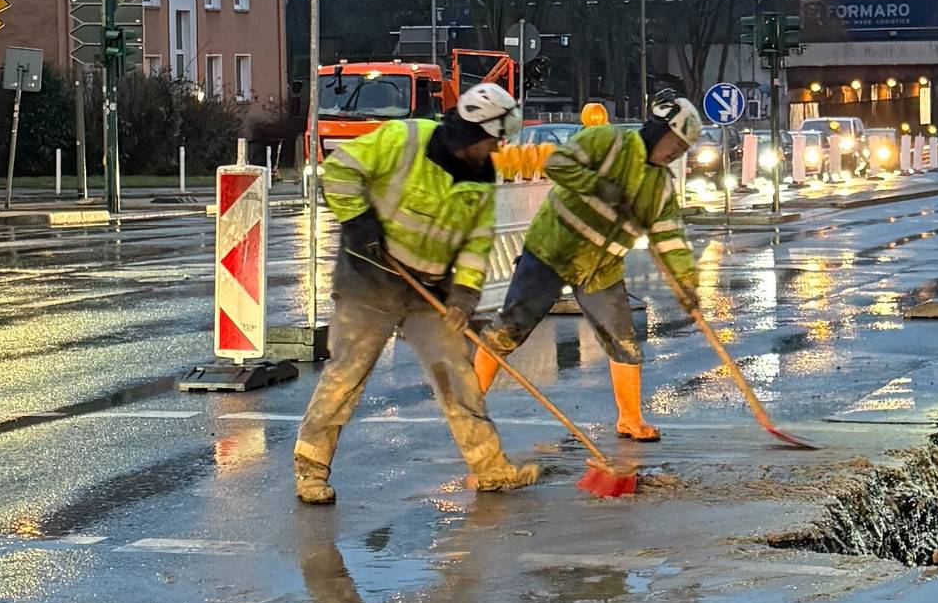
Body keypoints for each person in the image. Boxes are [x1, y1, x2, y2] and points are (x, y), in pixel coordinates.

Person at [293, 82, 540, 505]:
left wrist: (465, 292)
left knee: (457, 375)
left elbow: (478, 239)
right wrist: (361, 224)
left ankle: (491, 468)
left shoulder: (482, 176)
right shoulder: (403, 139)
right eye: (494, 141)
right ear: (474, 133)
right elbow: (340, 171)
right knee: (346, 376)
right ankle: (311, 469)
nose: (496, 150)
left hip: (430, 290)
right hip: (370, 279)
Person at [472, 93, 702, 442]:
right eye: (674, 142)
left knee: (623, 341)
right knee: (509, 329)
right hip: (552, 251)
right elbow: (558, 163)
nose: (675, 152)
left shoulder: (660, 186)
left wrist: (687, 284)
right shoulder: (606, 141)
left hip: (600, 268)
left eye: (683, 149)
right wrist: (597, 185)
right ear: (658, 130)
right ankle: (469, 403)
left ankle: (630, 419)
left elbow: (669, 237)